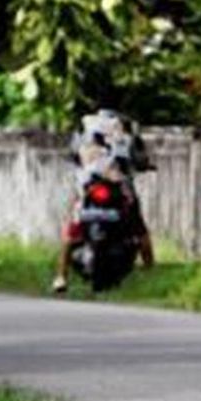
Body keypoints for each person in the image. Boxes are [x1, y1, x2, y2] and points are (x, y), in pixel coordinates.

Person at [52, 110, 155, 293]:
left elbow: (74, 158)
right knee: (139, 228)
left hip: (91, 188)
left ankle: (61, 277)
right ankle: (150, 270)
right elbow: (141, 161)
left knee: (71, 229)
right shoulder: (123, 137)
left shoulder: (87, 138)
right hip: (111, 189)